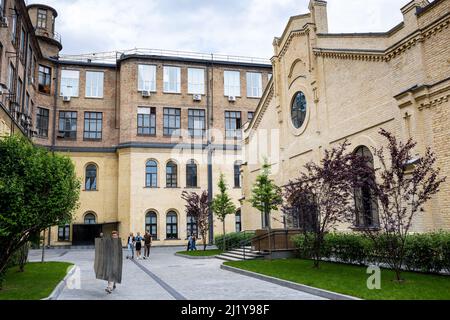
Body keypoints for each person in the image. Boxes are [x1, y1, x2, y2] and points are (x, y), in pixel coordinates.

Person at [94, 230, 123, 294]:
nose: (114, 236)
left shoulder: (119, 243)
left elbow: (120, 253)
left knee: (114, 274)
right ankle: (109, 287)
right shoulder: (109, 242)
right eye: (113, 235)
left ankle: (113, 284)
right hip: (110, 260)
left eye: (115, 235)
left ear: (117, 236)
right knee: (110, 273)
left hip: (116, 261)